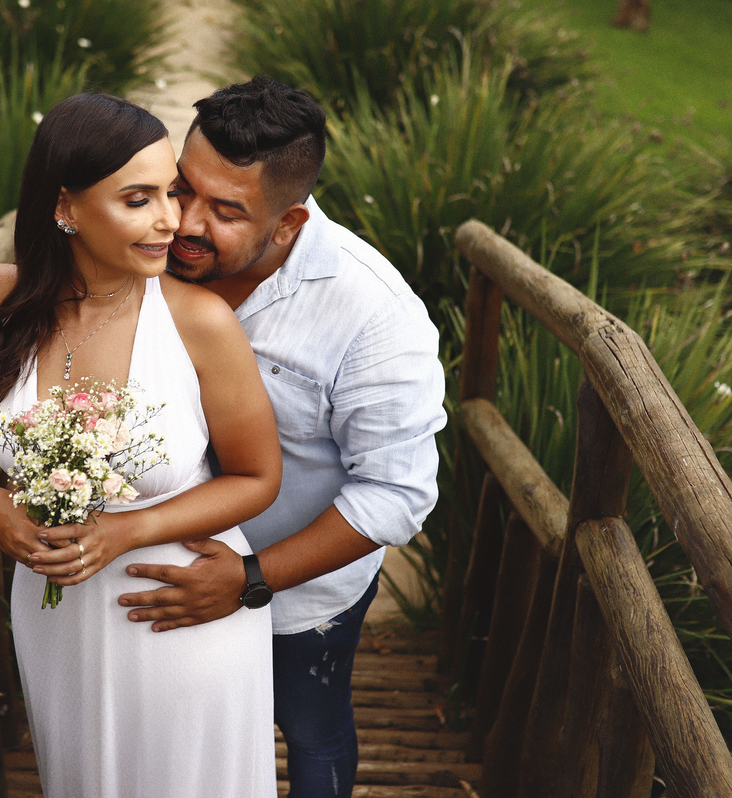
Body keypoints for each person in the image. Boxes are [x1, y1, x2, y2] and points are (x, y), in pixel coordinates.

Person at [0, 93, 282, 798]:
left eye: (172, 194)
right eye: (138, 199)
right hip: (54, 616)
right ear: (66, 206)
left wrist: (127, 530)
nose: (171, 221)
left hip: (177, 610)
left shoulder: (200, 323)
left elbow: (256, 478)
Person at [117, 76, 447, 798]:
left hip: (294, 595)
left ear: (290, 222)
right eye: (183, 189)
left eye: (226, 211)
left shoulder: (374, 318)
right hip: (149, 577)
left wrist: (250, 578)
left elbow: (395, 496)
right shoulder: (142, 251)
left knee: (311, 730)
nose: (186, 223)